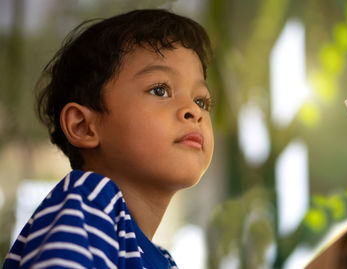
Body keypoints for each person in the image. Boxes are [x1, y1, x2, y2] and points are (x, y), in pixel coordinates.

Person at [2, 8, 214, 269]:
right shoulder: (89, 203)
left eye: (201, 100)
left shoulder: (162, 260)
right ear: (83, 126)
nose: (194, 111)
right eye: (160, 90)